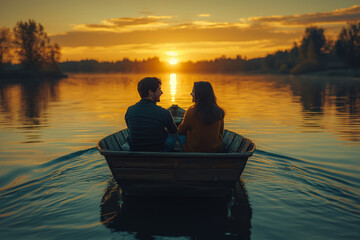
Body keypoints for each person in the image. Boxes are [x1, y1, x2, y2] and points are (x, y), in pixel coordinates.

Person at [125, 77, 177, 151]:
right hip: (158, 152)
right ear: (150, 92)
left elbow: (129, 127)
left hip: (136, 150)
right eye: (159, 89)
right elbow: (174, 131)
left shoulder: (130, 110)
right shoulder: (164, 112)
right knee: (172, 137)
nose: (161, 92)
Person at [178, 81, 225, 152]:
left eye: (193, 91)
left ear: (200, 94)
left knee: (179, 136)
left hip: (194, 150)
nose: (191, 93)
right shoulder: (219, 112)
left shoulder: (191, 111)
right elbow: (221, 132)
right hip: (214, 150)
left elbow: (181, 131)